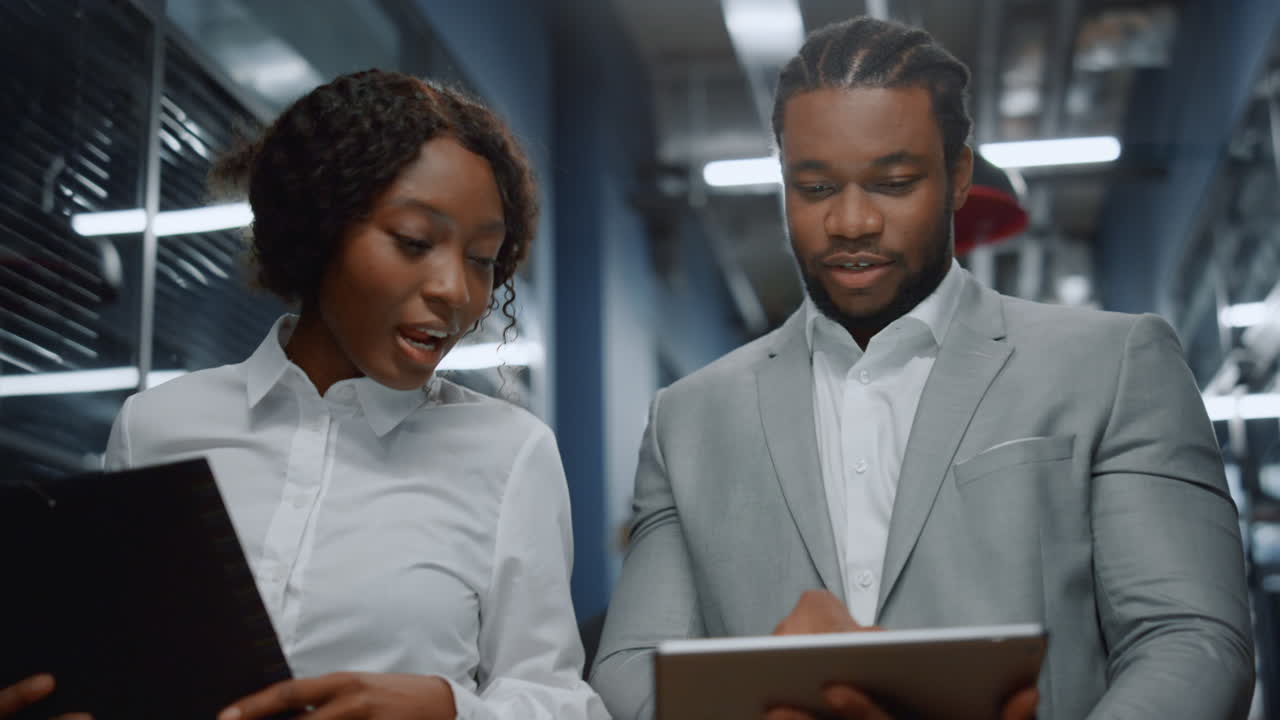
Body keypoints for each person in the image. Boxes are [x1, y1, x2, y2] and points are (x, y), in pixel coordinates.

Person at [590, 16, 1254, 720]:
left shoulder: (1112, 367)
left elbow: (1191, 640)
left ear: (958, 174)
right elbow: (632, 667)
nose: (851, 222)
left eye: (894, 182)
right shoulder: (689, 419)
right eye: (814, 189)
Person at [14, 69, 608, 720]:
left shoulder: (510, 453)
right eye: (415, 242)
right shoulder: (157, 425)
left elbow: (559, 700)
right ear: (319, 226)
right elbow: (112, 658)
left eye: (482, 257)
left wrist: (449, 710)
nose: (457, 292)